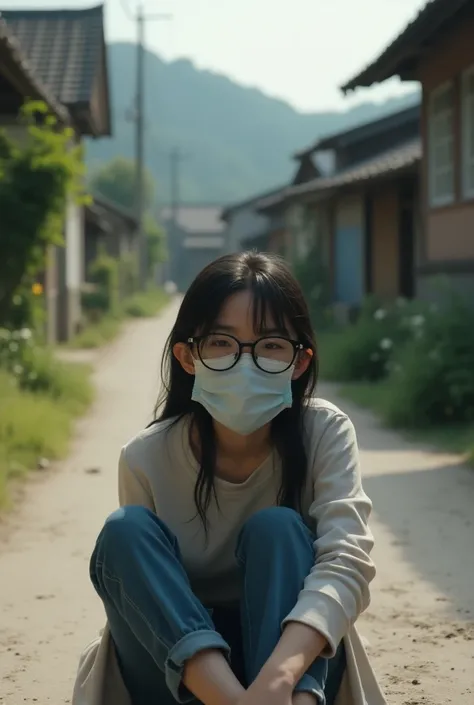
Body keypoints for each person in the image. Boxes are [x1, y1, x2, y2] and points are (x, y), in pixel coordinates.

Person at [72, 251, 387, 705]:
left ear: (299, 363)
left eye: (271, 345)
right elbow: (144, 595)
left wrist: (276, 685)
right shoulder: (146, 457)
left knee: (278, 528)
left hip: (289, 674)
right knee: (125, 533)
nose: (246, 363)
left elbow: (346, 561)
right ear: (187, 356)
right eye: (221, 342)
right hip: (180, 680)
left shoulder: (324, 432)